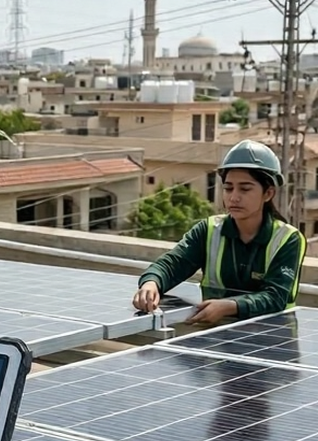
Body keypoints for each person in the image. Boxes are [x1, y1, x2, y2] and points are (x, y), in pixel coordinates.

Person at [131, 139, 307, 325]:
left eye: (245, 189)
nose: (234, 197)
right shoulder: (209, 230)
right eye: (228, 188)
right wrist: (152, 282)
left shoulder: (288, 239)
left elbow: (276, 296)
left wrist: (230, 306)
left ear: (268, 193)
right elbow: (174, 263)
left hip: (272, 333)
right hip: (214, 330)